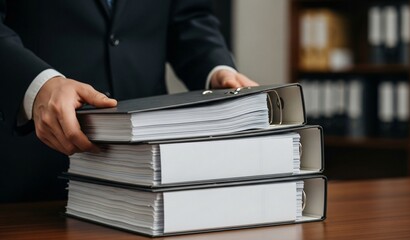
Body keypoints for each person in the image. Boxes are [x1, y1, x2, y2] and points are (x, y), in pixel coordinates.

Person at [0, 0, 258, 202]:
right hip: (29, 176)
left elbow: (189, 18)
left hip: (150, 184)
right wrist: (37, 84)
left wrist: (216, 68)